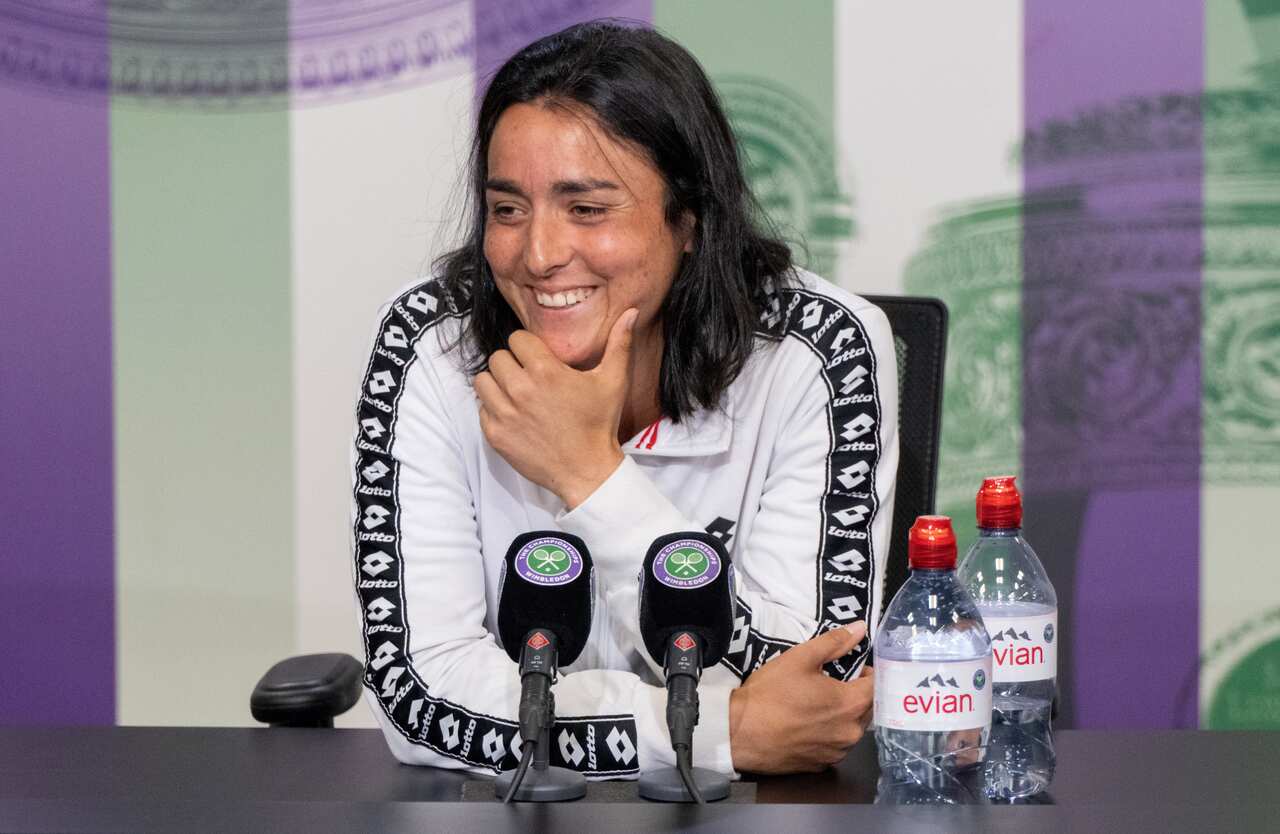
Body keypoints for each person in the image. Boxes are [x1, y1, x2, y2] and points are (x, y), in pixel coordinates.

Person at [350, 19, 898, 779]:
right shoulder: (429, 343)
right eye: (508, 210)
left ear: (690, 222)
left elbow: (814, 688)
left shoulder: (818, 349)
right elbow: (421, 697)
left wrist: (591, 477)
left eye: (587, 209)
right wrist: (716, 737)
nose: (538, 255)